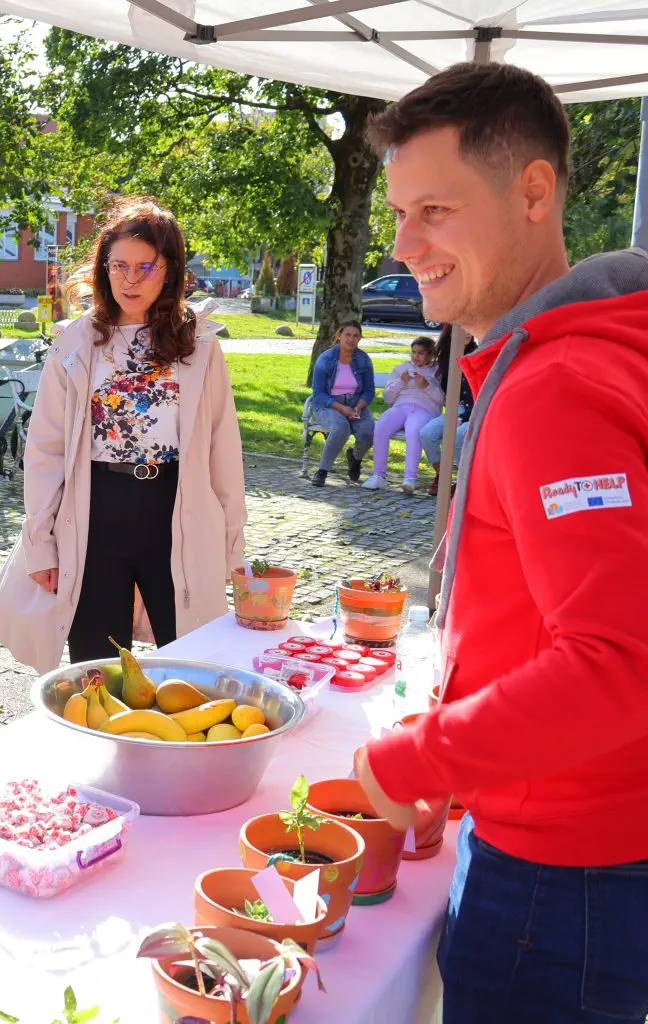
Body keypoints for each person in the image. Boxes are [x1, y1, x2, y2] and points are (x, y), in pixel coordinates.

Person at [351, 62, 648, 1023]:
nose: (402, 245)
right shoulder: (598, 348)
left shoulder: (558, 386)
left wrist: (413, 760)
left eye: (433, 208)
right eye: (398, 213)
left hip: (568, 878)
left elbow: (618, 663)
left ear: (533, 191)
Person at [0, 196, 246, 671]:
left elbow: (222, 448)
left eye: (145, 267)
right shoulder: (77, 341)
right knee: (96, 665)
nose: (130, 279)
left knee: (191, 657)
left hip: (177, 507)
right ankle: (101, 744)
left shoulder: (200, 345)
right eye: (119, 265)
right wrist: (40, 541)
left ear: (170, 269)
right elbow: (45, 448)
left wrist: (232, 544)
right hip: (96, 509)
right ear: (103, 268)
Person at [362, 335, 443, 495]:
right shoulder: (401, 368)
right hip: (400, 406)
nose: (416, 356)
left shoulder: (437, 371)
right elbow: (387, 398)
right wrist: (400, 382)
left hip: (424, 409)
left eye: (420, 353)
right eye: (413, 352)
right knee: (381, 426)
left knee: (414, 430)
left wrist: (426, 387)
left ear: (430, 353)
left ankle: (410, 478)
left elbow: (444, 399)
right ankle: (379, 475)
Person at [307, 322, 377, 487]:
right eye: (348, 335)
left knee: (369, 431)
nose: (351, 339)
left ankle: (355, 458)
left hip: (355, 403)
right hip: (328, 404)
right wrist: (341, 408)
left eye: (356, 336)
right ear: (339, 335)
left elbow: (369, 391)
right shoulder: (326, 359)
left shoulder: (363, 359)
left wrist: (359, 406)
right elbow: (318, 394)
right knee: (341, 427)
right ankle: (322, 471)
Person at [419, 326, 477, 496]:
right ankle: (442, 475)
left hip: (476, 408)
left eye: (469, 328)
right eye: (461, 328)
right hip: (456, 406)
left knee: (459, 436)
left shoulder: (478, 353)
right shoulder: (448, 355)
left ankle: (463, 481)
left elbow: (481, 391)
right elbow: (446, 390)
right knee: (427, 434)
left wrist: (465, 417)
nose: (466, 332)